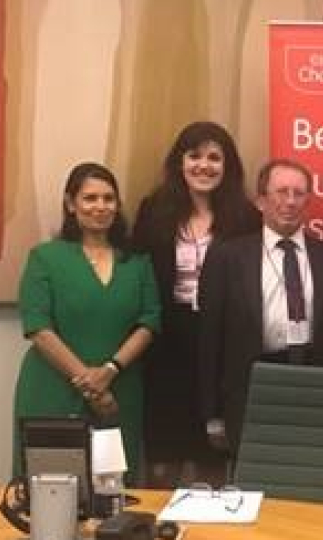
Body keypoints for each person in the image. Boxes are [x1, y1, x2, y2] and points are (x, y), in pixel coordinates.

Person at [133, 121, 261, 487]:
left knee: (212, 455)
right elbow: (141, 276)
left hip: (221, 345)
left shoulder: (246, 218)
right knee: (164, 455)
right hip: (165, 343)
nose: (204, 166)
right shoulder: (154, 210)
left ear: (228, 166)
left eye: (214, 157)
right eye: (194, 156)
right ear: (179, 162)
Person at [13, 162, 160, 481]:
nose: (100, 207)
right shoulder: (45, 258)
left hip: (119, 392)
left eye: (109, 199)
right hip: (52, 390)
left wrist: (109, 371)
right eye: (90, 198)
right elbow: (38, 327)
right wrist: (91, 385)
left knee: (115, 497)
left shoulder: (137, 262)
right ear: (70, 204)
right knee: (50, 493)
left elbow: (150, 322)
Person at [198, 158, 323, 459]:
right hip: (251, 388)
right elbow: (209, 337)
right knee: (255, 484)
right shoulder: (228, 257)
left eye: (299, 193)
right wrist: (211, 413)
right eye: (281, 192)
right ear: (261, 201)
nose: (290, 202)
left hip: (314, 387)